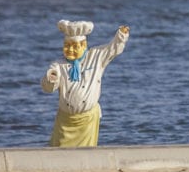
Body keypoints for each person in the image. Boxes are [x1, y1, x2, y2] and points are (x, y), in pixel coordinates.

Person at [41, 19, 130, 147]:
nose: (70, 50)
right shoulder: (58, 65)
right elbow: (47, 88)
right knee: (59, 150)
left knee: (86, 151)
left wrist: (121, 35)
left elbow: (113, 48)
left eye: (74, 46)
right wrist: (51, 79)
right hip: (66, 121)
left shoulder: (95, 57)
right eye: (67, 46)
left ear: (84, 46)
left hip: (87, 120)